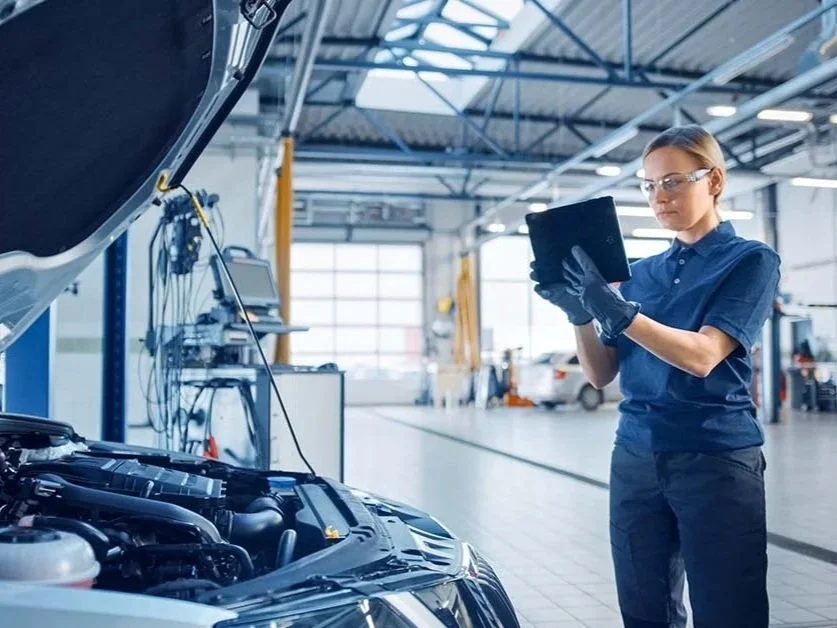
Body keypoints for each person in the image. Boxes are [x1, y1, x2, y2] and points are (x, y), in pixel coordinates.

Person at [531, 124, 780, 628]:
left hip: (715, 459)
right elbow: (601, 375)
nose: (659, 197)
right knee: (645, 611)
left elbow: (704, 355)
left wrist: (621, 315)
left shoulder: (750, 261)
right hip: (636, 459)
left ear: (713, 180)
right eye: (648, 185)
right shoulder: (638, 273)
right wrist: (580, 315)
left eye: (673, 182)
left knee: (728, 611)